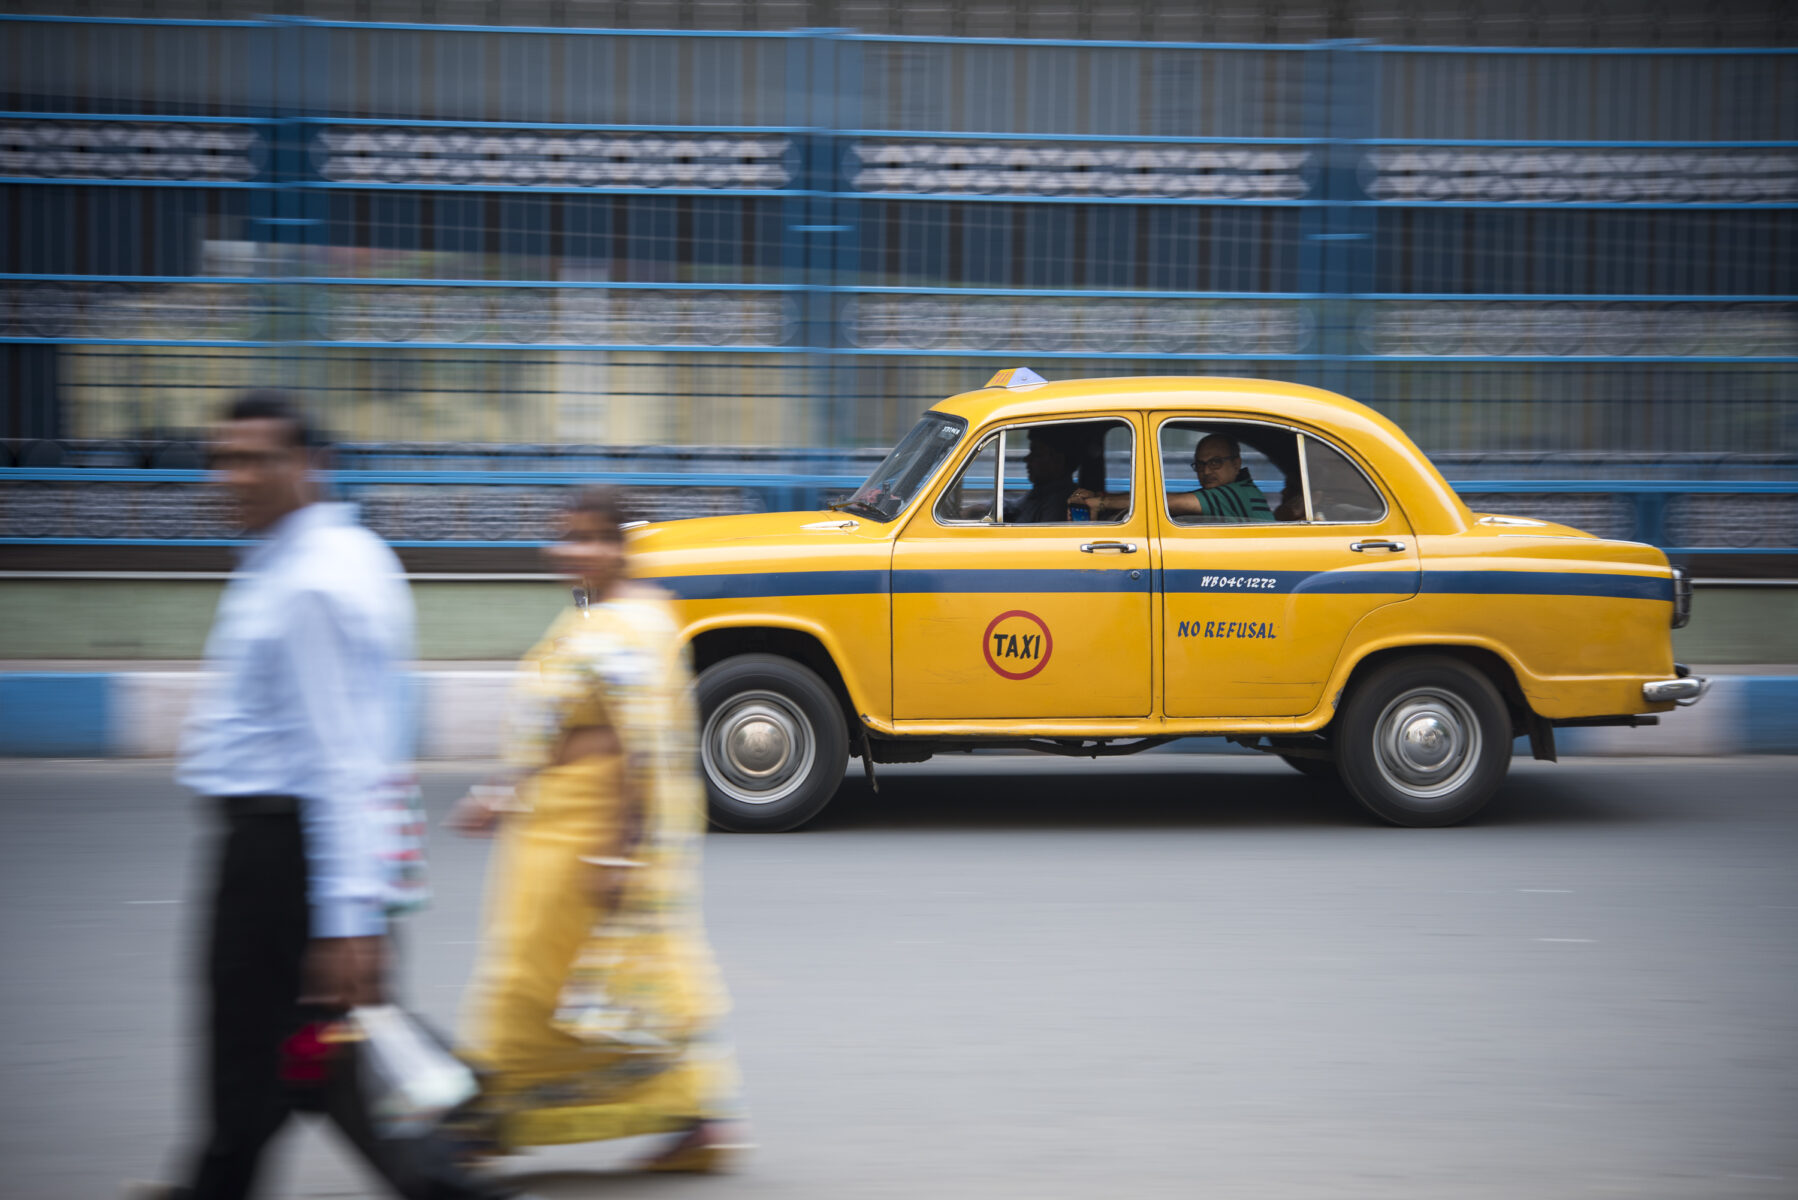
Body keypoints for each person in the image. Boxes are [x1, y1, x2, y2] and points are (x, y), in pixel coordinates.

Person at [142, 391, 512, 1200]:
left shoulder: (310, 582)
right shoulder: (334, 554)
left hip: (283, 857)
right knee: (306, 1062)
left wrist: (349, 918)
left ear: (311, 465)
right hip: (295, 854)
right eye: (221, 458)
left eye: (255, 459)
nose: (231, 477)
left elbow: (343, 757)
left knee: (282, 1061)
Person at [447, 486, 745, 1172]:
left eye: (587, 538)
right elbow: (553, 726)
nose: (570, 551)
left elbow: (642, 753)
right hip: (548, 831)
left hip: (588, 837)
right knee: (557, 979)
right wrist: (502, 793)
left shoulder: (631, 625)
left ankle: (491, 1120)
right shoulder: (597, 617)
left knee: (535, 978)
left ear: (619, 546)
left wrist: (620, 854)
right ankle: (691, 1117)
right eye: (564, 536)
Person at [1073, 432, 1273, 523]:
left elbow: (1171, 502)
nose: (1206, 471)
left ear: (1236, 463)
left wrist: (1101, 503)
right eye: (1200, 464)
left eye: (1216, 462)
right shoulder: (1226, 492)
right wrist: (1101, 497)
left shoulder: (1237, 494)